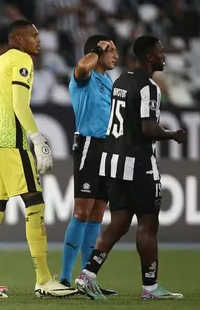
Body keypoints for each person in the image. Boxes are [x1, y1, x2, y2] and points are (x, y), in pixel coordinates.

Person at [75, 36, 186, 300]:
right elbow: (148, 128)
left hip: (112, 162)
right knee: (148, 224)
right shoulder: (149, 87)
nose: (164, 56)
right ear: (149, 57)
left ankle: (87, 275)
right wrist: (173, 135)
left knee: (119, 223)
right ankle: (150, 287)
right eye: (160, 52)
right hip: (138, 164)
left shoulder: (121, 80)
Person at [0, 19, 77, 299]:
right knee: (34, 202)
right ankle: (44, 279)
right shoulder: (21, 59)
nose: (39, 40)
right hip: (11, 139)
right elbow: (20, 105)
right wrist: (37, 138)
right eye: (34, 35)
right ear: (19, 39)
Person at [60, 35, 118, 296]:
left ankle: (86, 278)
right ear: (98, 52)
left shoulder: (108, 80)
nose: (115, 55)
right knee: (81, 212)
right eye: (111, 50)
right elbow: (83, 67)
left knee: (97, 214)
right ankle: (63, 279)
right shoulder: (83, 76)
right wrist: (96, 50)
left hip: (108, 148)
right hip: (88, 146)